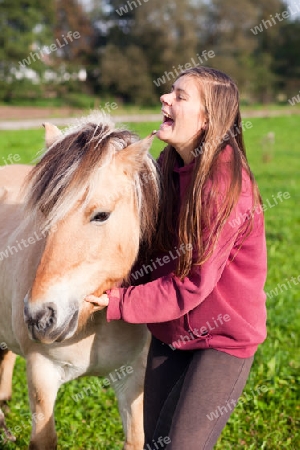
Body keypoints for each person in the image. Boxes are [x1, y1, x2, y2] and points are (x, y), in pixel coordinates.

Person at [85, 66, 267, 449]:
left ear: (207, 118)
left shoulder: (223, 188)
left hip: (222, 341)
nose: (166, 98)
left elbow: (192, 285)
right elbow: (144, 241)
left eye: (181, 96)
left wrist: (119, 301)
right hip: (169, 331)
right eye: (170, 91)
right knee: (155, 443)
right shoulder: (167, 165)